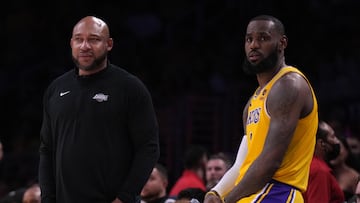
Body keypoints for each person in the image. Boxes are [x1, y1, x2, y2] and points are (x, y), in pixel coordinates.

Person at [38, 16, 160, 203]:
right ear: (71, 43)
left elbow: (148, 148)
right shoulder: (56, 88)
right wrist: (47, 198)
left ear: (109, 44)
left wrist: (125, 197)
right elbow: (47, 149)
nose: (85, 46)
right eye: (79, 39)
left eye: (94, 39)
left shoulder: (130, 88)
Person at [204, 15, 318, 203]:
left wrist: (228, 200)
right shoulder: (254, 101)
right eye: (249, 39)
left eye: (263, 38)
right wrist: (216, 193)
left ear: (282, 43)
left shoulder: (289, 85)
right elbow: (242, 162)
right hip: (251, 192)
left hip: (277, 192)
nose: (254, 45)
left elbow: (270, 162)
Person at [303, 120, 344, 203]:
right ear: (321, 143)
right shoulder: (319, 170)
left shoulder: (309, 163)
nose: (337, 141)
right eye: (333, 136)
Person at [329, 135, 360, 201]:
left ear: (347, 152)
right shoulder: (324, 173)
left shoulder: (354, 176)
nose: (335, 151)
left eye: (338, 148)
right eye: (332, 147)